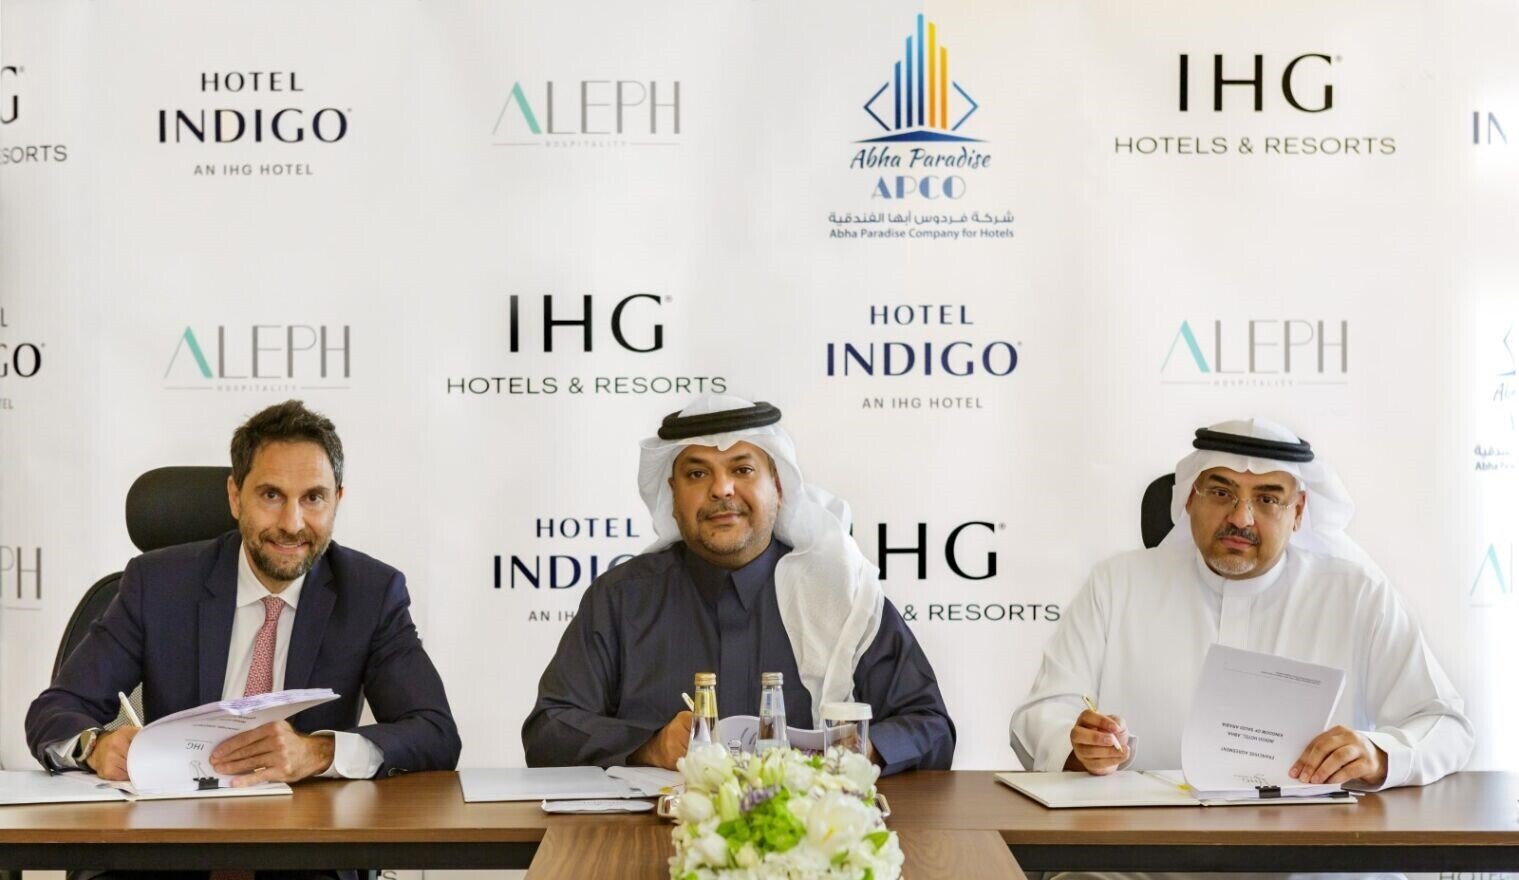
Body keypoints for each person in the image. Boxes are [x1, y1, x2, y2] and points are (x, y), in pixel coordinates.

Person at [26, 399, 460, 880]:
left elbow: (435, 732)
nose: (292, 523)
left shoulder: (371, 593)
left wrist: (318, 752)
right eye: (271, 495)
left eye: (313, 498)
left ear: (337, 499)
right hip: (164, 852)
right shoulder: (158, 584)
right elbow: (56, 710)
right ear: (235, 496)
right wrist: (95, 745)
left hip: (304, 856)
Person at [1010, 418, 1473, 794]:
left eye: (1267, 499)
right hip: (1141, 854)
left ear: (1298, 512)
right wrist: (1079, 745)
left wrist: (1380, 755)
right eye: (1221, 493)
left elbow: (1444, 723)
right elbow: (1042, 712)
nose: (1240, 518)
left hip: (1315, 855)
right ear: (1189, 498)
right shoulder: (1117, 585)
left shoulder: (1357, 594)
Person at [523, 394, 955, 775]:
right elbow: (548, 731)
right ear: (672, 497)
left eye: (743, 469)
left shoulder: (840, 592)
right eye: (697, 475)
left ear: (778, 489)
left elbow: (931, 727)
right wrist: (650, 747)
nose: (722, 489)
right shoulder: (621, 600)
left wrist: (856, 752)